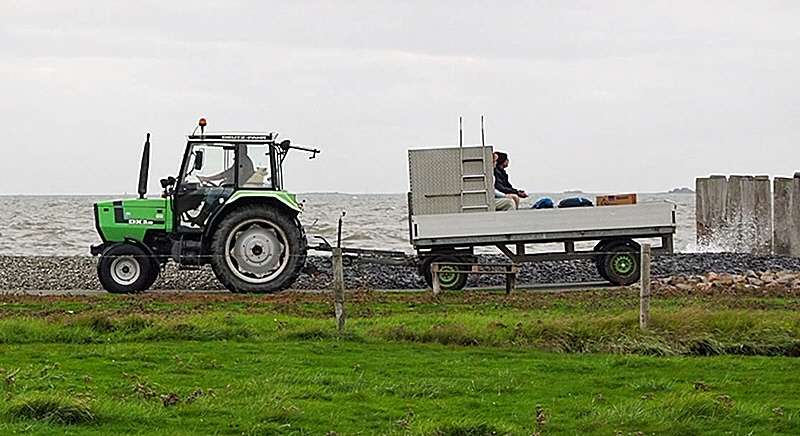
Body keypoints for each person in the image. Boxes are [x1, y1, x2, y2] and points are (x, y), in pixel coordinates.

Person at [191, 145, 255, 226]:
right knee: (214, 195)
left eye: (236, 150)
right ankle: (204, 217)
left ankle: (203, 218)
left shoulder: (243, 161)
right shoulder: (243, 161)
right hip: (235, 188)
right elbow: (230, 174)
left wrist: (207, 179)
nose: (234, 153)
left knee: (212, 192)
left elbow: (225, 174)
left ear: (241, 150)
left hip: (237, 190)